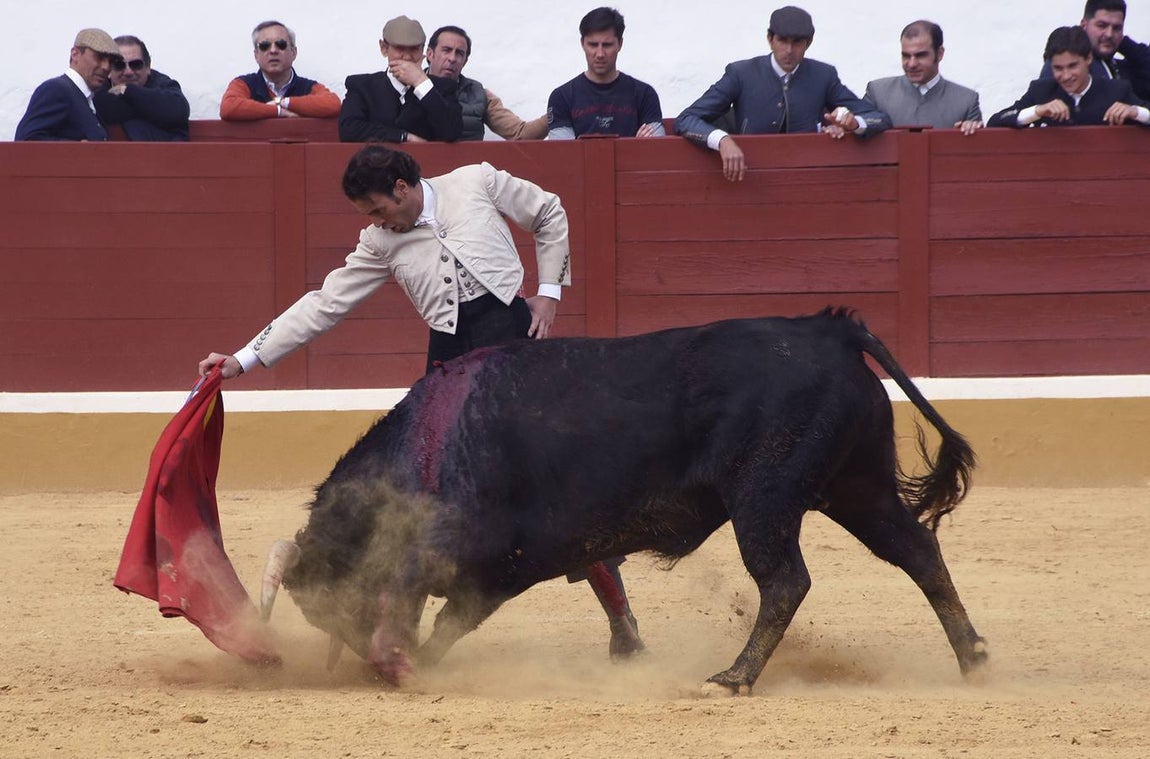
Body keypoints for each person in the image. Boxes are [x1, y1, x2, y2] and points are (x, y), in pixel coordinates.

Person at [197, 144, 643, 657]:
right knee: (416, 492)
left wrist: (549, 291)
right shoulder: (378, 242)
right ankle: (392, 632)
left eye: (378, 209)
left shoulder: (476, 181)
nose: (376, 223)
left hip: (520, 356)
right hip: (449, 370)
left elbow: (548, 211)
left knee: (560, 487)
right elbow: (325, 303)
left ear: (403, 190)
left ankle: (622, 624)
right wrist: (241, 359)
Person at [674, 6, 891, 182]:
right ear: (770, 39)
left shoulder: (823, 75)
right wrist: (722, 140)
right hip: (748, 178)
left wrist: (854, 125)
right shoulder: (741, 74)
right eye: (783, 40)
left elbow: (879, 119)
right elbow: (686, 119)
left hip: (806, 180)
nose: (789, 50)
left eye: (797, 42)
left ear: (809, 43)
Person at [990, 26, 1150, 127]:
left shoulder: (1116, 90)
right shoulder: (1041, 91)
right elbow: (996, 121)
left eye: (1072, 66)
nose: (1066, 76)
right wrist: (1038, 111)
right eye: (1058, 68)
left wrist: (1135, 111)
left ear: (1088, 59)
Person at [340, 16, 463, 143]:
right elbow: (349, 129)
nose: (407, 57)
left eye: (414, 49)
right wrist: (403, 137)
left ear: (423, 50)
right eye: (400, 48)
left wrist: (420, 82)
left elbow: (452, 131)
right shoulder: (362, 85)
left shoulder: (441, 87)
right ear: (384, 48)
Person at [545, 7, 664, 139]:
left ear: (620, 44)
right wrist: (635, 146)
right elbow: (564, 154)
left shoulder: (644, 94)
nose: (600, 54)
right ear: (582, 44)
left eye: (607, 45)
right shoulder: (561, 97)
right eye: (593, 45)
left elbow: (655, 149)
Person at [424, 25, 546, 141]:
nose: (452, 58)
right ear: (430, 54)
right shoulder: (407, 88)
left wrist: (555, 112)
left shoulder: (478, 94)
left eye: (459, 53)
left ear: (465, 61)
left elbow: (520, 134)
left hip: (467, 162)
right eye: (446, 50)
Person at [864, 21, 982, 135]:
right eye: (906, 56)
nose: (912, 64)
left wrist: (970, 130)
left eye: (921, 55)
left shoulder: (966, 101)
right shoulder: (878, 93)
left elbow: (978, 151)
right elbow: (858, 131)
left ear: (940, 53)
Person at [220, 20, 341, 121]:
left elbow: (333, 104)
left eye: (281, 44)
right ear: (256, 55)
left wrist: (284, 103)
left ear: (293, 52)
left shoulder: (308, 87)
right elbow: (228, 107)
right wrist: (277, 111)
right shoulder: (243, 84)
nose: (273, 50)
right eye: (264, 45)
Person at [15, 28, 121, 141]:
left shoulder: (87, 99)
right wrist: (78, 149)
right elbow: (27, 140)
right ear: (75, 54)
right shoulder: (56, 90)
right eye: (99, 57)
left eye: (111, 61)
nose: (106, 67)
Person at [1040, 0, 1150, 101]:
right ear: (1084, 25)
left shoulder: (1124, 68)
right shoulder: (1064, 64)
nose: (1109, 34)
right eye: (1102, 26)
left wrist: (1125, 44)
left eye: (1116, 28)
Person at [92, 35, 190, 141]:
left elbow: (177, 110)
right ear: (109, 71)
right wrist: (152, 107)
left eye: (136, 64)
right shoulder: (98, 90)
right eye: (119, 65)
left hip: (163, 155)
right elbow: (104, 108)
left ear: (148, 67)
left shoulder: (163, 84)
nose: (128, 72)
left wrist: (127, 90)